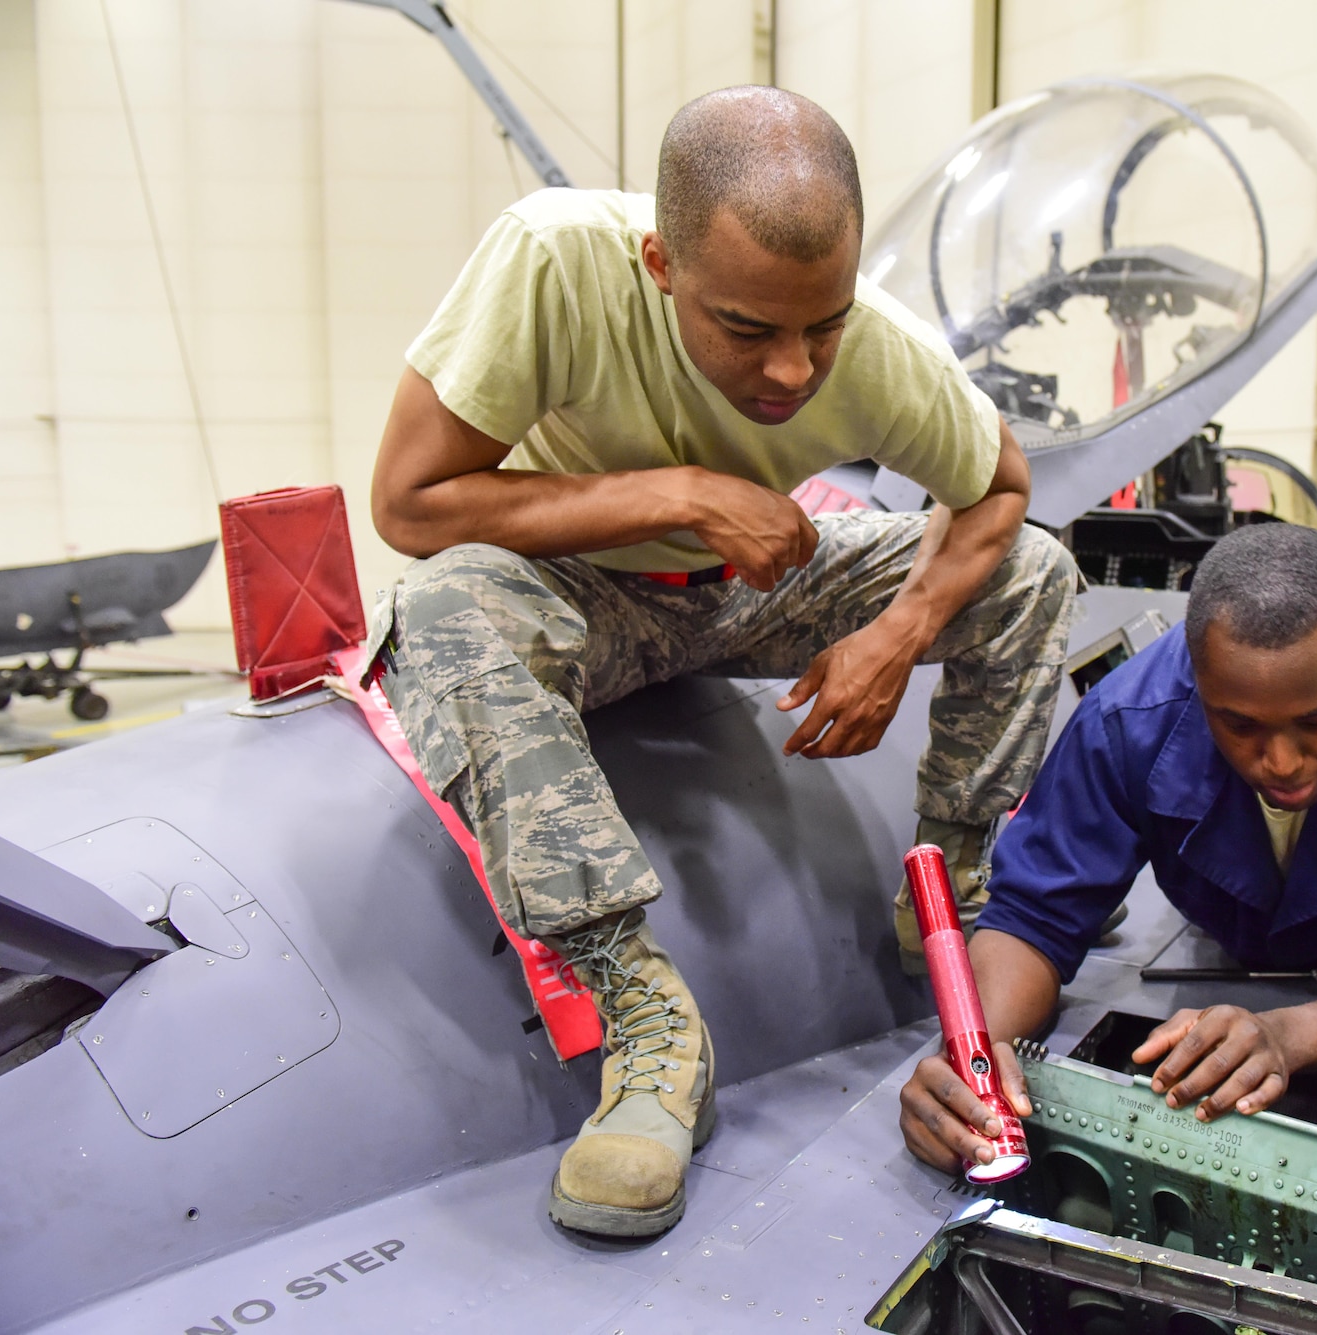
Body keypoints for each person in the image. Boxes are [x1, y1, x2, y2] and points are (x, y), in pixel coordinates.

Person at [364, 86, 1078, 1238]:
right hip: (583, 589)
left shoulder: (879, 353)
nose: (793, 371)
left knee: (1031, 569)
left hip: (765, 581)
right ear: (658, 262)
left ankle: (948, 893)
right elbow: (409, 501)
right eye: (747, 329)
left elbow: (997, 491)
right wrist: (680, 496)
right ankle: (646, 1020)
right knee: (442, 608)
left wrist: (889, 639)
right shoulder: (554, 263)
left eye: (822, 324)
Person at [899, 523, 1317, 1177]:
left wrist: (1290, 1033)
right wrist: (977, 1052)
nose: (1284, 762)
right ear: (1195, 670)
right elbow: (1032, 919)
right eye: (1238, 724)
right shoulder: (1128, 721)